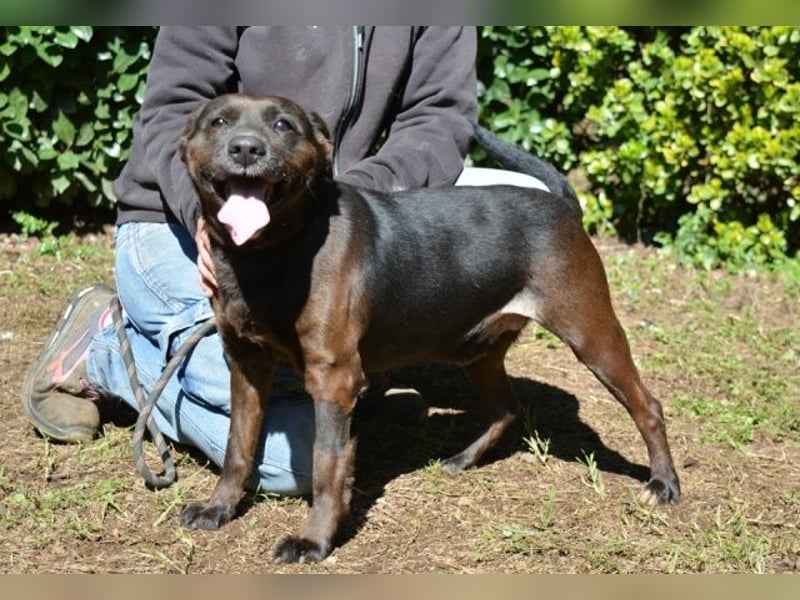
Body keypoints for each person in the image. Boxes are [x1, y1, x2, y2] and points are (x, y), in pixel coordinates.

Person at [21, 26, 547, 497]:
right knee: (285, 459)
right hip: (178, 219)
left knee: (531, 206)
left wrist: (340, 209)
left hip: (314, 214)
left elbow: (439, 119)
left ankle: (356, 367)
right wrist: (204, 215)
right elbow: (171, 112)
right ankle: (104, 347)